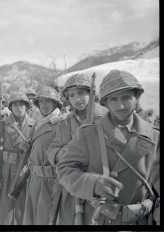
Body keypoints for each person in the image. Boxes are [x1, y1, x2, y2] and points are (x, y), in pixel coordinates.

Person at [57, 69, 160, 225]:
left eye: (127, 98)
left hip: (142, 219)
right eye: (113, 99)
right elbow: (65, 170)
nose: (120, 105)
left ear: (137, 98)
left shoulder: (154, 136)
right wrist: (94, 183)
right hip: (99, 218)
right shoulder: (87, 134)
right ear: (104, 102)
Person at [46, 73, 107, 224]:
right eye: (72, 95)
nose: (77, 99)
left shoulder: (107, 118)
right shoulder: (65, 122)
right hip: (70, 188)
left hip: (98, 187)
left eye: (81, 93)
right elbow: (52, 151)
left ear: (91, 93)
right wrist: (68, 152)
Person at [0, 91, 36, 225]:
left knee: (23, 212)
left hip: (26, 175)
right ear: (10, 107)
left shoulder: (35, 125)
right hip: (4, 174)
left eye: (22, 104)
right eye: (15, 104)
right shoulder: (1, 126)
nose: (19, 107)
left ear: (27, 107)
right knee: (3, 214)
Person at [22, 86, 65, 225]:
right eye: (41, 102)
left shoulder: (63, 122)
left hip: (51, 180)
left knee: (46, 218)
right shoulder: (39, 123)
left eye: (48, 101)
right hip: (35, 178)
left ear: (56, 103)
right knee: (33, 216)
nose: (44, 105)